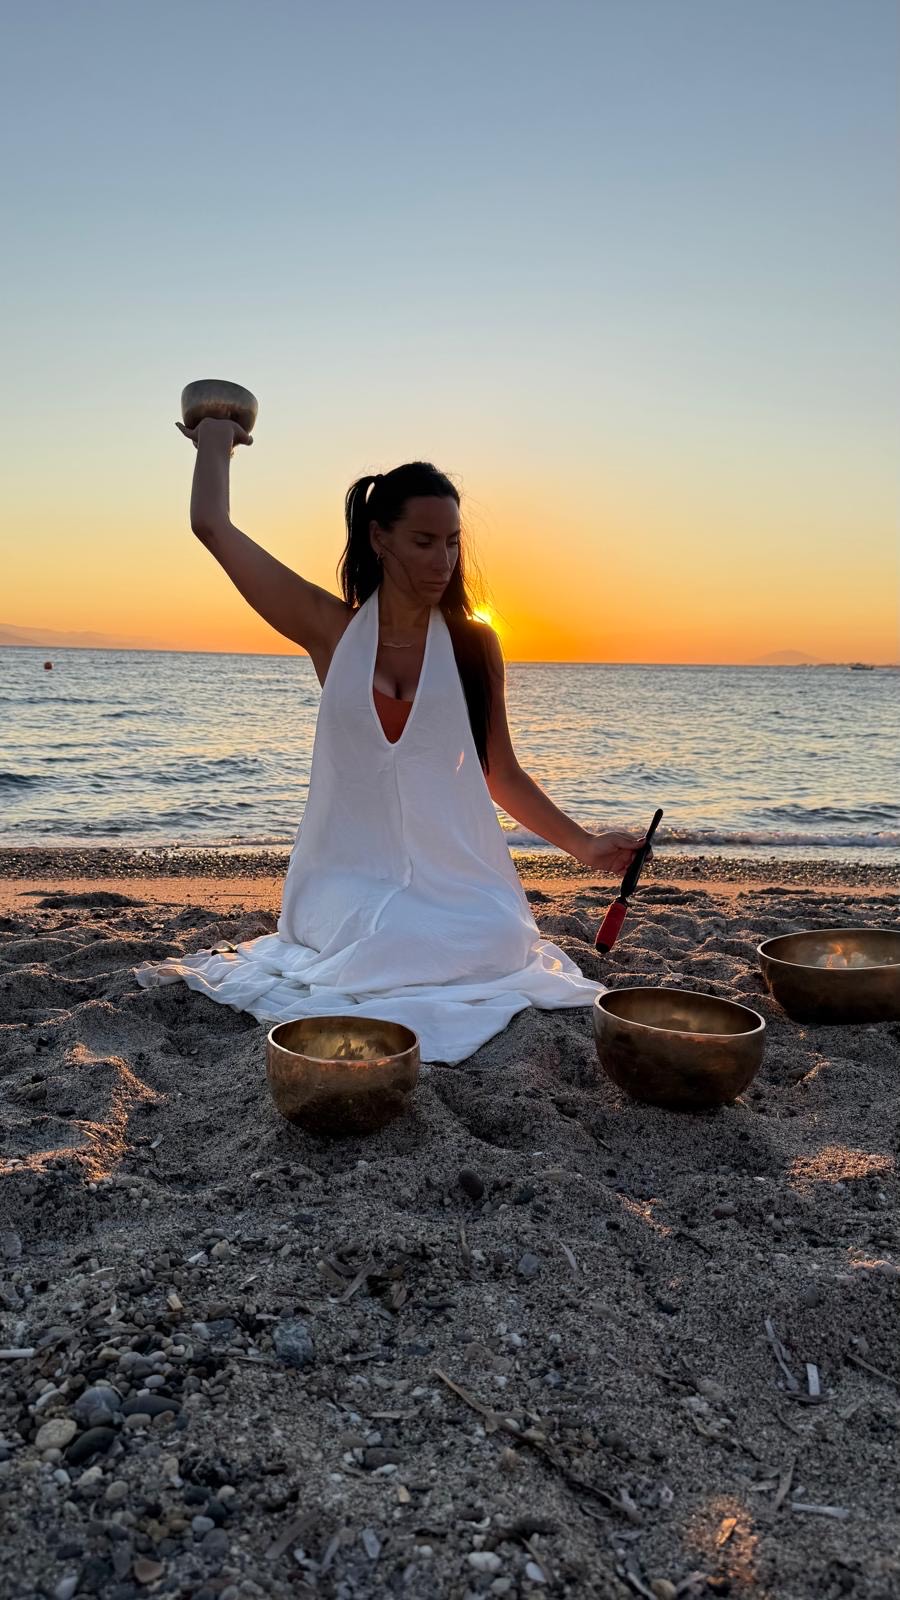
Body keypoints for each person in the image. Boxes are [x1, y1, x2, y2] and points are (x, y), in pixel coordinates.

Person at [135, 418, 648, 1063]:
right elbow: (212, 527)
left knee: (493, 938)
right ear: (380, 538)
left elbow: (500, 772)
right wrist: (216, 437)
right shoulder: (330, 630)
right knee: (388, 944)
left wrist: (584, 844)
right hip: (344, 875)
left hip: (454, 876)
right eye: (424, 541)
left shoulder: (474, 643)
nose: (443, 560)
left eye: (453, 543)